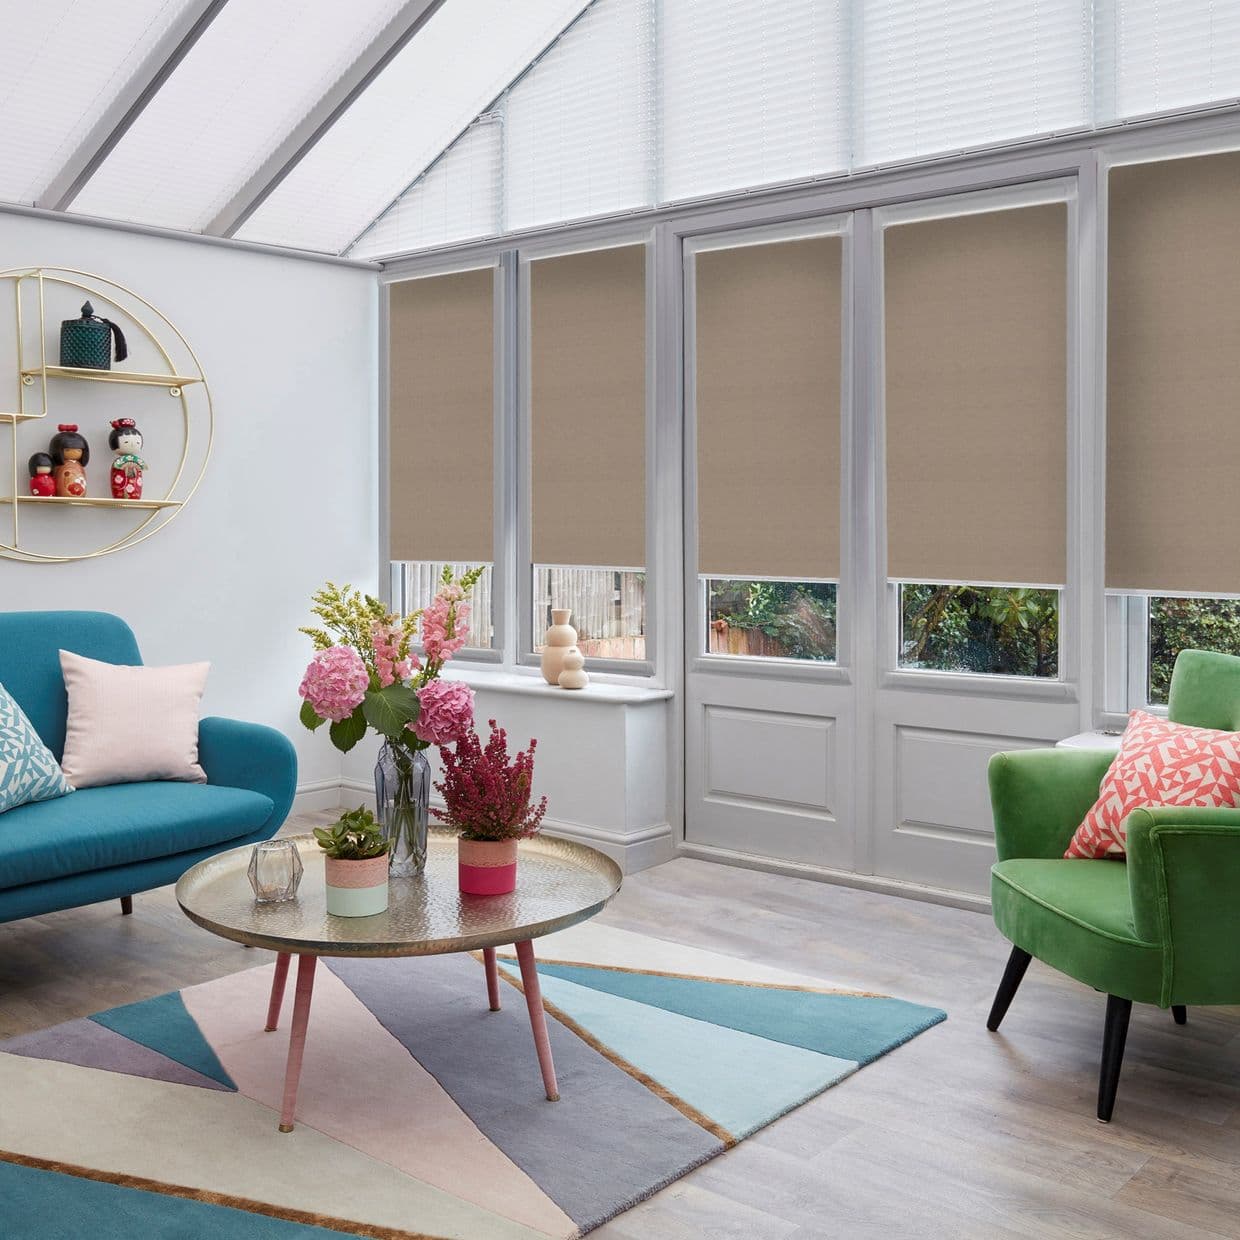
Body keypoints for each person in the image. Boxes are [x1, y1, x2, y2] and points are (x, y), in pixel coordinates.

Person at [108, 418, 146, 500]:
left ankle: (135, 495)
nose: (132, 444)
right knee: (119, 481)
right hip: (122, 486)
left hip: (134, 484)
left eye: (137, 442)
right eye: (126, 442)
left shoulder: (136, 461)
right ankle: (120, 495)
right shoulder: (118, 462)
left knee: (136, 482)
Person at [49, 424, 89, 498]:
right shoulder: (61, 465)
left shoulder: (78, 465)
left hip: (80, 490)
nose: (74, 452)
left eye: (78, 450)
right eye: (67, 450)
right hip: (63, 491)